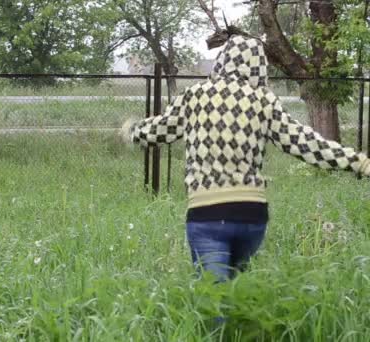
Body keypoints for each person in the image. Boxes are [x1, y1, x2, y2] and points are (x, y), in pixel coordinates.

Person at [124, 34, 370, 282]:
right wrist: (359, 161)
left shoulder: (194, 96)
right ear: (260, 65)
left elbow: (160, 130)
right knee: (239, 294)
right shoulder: (264, 100)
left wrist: (132, 130)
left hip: (206, 212)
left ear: (222, 61)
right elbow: (305, 143)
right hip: (251, 213)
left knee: (214, 298)